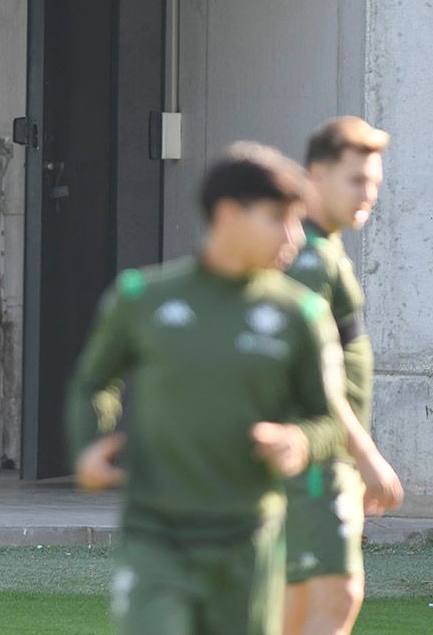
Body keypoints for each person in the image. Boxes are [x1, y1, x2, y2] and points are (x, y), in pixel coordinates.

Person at [67, 141, 347, 635]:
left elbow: (328, 422)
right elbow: (93, 382)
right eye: (277, 219)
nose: (293, 237)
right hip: (156, 535)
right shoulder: (142, 297)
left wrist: (300, 442)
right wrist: (89, 444)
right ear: (228, 215)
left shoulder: (301, 314)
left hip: (248, 539)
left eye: (296, 221)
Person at [283, 118, 404, 635]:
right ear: (316, 176)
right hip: (316, 463)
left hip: (314, 461)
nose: (368, 194)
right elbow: (313, 378)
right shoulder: (311, 261)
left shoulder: (322, 251)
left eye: (374, 182)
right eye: (356, 180)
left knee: (297, 610)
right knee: (334, 601)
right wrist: (366, 456)